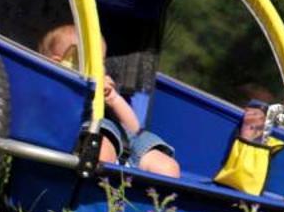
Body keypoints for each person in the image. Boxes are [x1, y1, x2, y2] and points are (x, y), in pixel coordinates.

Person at [38, 23, 180, 176]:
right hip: (92, 137)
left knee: (168, 168)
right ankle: (107, 181)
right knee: (101, 150)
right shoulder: (54, 88)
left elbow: (134, 128)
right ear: (58, 63)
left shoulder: (106, 91)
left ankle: (151, 194)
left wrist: (113, 98)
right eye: (90, 62)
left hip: (125, 140)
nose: (100, 68)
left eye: (102, 62)